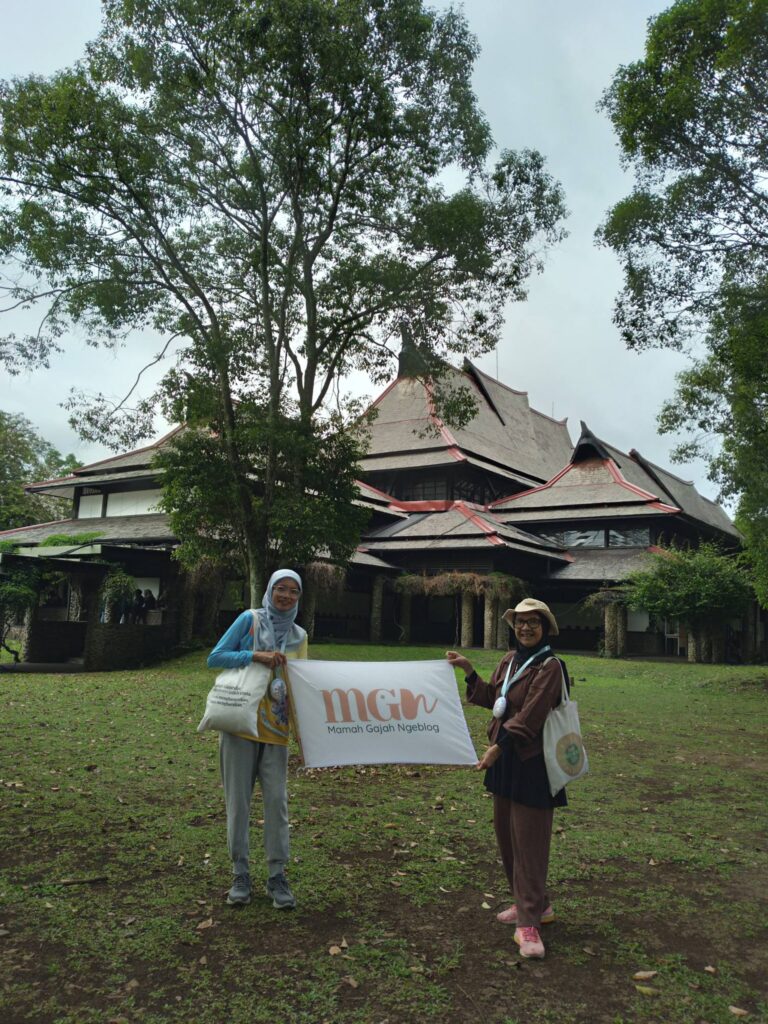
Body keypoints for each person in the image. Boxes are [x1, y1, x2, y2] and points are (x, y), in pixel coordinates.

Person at [446, 598, 568, 960]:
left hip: (532, 762)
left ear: (545, 627)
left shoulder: (551, 667)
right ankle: (536, 903)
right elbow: (494, 700)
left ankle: (529, 924)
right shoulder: (509, 660)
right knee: (507, 837)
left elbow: (530, 717)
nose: (525, 628)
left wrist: (498, 747)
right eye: (520, 622)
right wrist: (469, 672)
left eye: (533, 622)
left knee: (530, 842)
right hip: (504, 760)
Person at [207, 570, 307, 911]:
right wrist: (254, 656)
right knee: (238, 802)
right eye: (281, 589)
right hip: (240, 725)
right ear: (270, 590)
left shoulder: (299, 636)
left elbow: (300, 684)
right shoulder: (249, 620)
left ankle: (277, 875)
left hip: (276, 731)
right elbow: (215, 656)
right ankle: (240, 873)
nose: (287, 596)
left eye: (294, 591)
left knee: (277, 803)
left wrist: (303, 730)